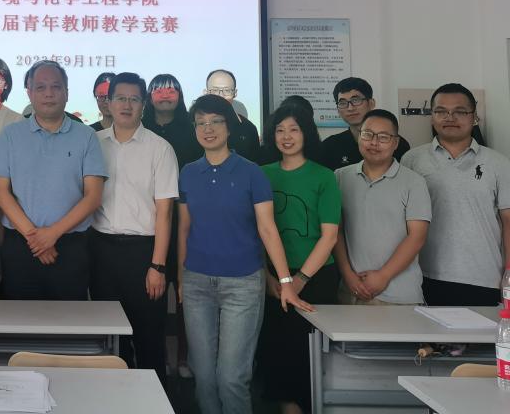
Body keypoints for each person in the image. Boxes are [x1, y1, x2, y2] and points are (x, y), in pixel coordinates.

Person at [178, 94, 312, 414]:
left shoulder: (252, 172)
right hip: (197, 283)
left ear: (229, 127)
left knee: (231, 378)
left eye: (215, 121)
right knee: (204, 378)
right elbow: (184, 229)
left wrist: (285, 282)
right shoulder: (188, 172)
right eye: (201, 123)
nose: (208, 129)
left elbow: (268, 229)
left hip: (242, 284)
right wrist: (181, 278)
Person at [0, 60, 107, 300]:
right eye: (41, 87)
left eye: (56, 87)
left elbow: (93, 196)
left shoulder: (87, 136)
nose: (49, 93)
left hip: (70, 247)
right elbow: (1, 192)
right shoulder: (10, 135)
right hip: (21, 245)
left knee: (69, 319)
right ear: (29, 93)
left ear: (67, 92)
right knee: (20, 318)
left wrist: (52, 234)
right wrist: (36, 238)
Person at [90, 72, 178, 386]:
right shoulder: (93, 143)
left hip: (144, 254)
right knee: (110, 341)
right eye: (120, 98)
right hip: (101, 252)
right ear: (108, 103)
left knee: (149, 338)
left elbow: (165, 213)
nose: (126, 105)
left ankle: (155, 402)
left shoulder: (160, 148)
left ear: (144, 105)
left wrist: (158, 266)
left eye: (134, 99)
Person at [258, 104, 341, 414]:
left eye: (294, 129)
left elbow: (329, 236)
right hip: (272, 278)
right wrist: (271, 278)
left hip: (316, 277)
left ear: (306, 133)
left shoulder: (324, 176)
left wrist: (299, 281)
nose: (286, 136)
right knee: (278, 349)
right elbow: (255, 231)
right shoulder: (262, 174)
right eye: (279, 130)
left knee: (310, 350)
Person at [402, 83, 510, 306]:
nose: (450, 118)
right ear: (432, 117)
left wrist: (508, 275)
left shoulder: (499, 163)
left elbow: (508, 223)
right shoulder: (412, 160)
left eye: (460, 111)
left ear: (474, 117)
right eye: (441, 111)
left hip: (483, 277)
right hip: (424, 275)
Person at [334, 109, 430, 305]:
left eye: (383, 137)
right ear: (359, 136)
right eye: (368, 134)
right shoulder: (340, 177)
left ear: (395, 143)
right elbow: (336, 231)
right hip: (351, 292)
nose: (374, 142)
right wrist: (347, 274)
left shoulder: (414, 182)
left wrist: (383, 276)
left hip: (399, 296)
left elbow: (417, 237)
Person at [141, 72, 200, 376]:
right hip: (150, 223)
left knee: (186, 294)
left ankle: (186, 358)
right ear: (149, 97)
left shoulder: (192, 130)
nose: (165, 95)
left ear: (180, 96)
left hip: (189, 222)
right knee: (153, 295)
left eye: (171, 90)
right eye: (158, 90)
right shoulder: (141, 129)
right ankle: (161, 356)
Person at [321, 77, 410, 170]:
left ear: (371, 103)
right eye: (343, 103)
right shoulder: (329, 146)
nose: (350, 108)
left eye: (356, 100)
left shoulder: (396, 144)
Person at [204, 69, 260, 160]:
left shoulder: (249, 129)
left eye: (227, 90)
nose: (220, 96)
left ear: (235, 93)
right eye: (215, 90)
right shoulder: (193, 126)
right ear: (206, 93)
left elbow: (254, 164)